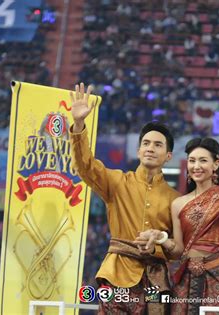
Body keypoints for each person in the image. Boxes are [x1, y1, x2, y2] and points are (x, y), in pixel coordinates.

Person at [69, 83, 180, 314]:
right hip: (116, 275)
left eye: (158, 145)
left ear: (168, 156)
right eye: (146, 144)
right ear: (138, 151)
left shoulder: (176, 199)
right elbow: (85, 166)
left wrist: (157, 246)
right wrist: (79, 125)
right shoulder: (117, 182)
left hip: (156, 283)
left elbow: (177, 250)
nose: (150, 148)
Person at [134, 137, 219, 314]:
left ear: (216, 165)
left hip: (218, 275)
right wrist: (161, 237)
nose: (196, 166)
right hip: (186, 276)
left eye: (203, 160)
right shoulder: (178, 203)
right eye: (192, 161)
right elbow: (178, 250)